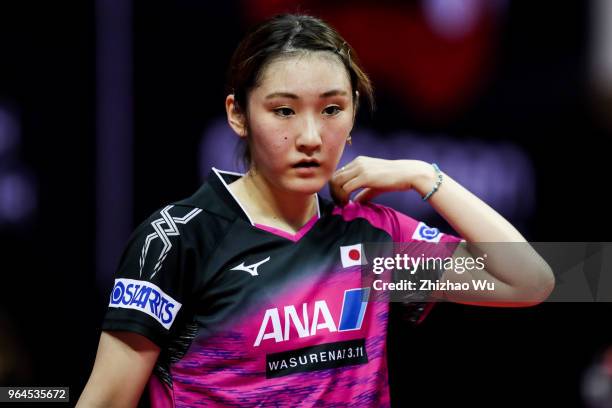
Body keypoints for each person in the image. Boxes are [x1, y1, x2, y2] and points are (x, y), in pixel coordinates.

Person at [77, 13, 554, 407]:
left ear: (351, 119)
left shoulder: (373, 241)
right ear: (237, 115)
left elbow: (531, 280)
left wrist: (425, 177)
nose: (310, 137)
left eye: (331, 109)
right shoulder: (178, 242)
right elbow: (106, 400)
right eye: (284, 111)